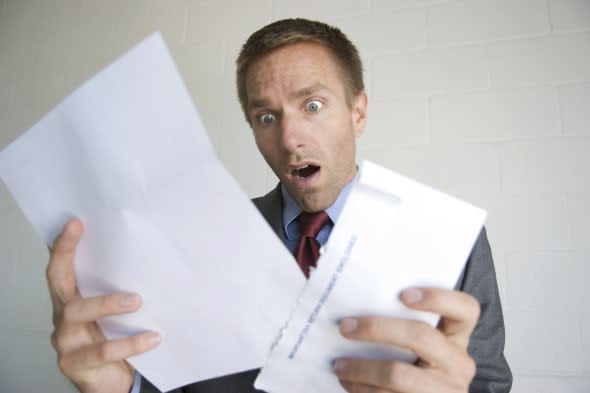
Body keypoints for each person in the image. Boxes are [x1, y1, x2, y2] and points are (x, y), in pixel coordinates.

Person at [46, 18, 512, 393]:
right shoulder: (205, 238)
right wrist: (119, 388)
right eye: (266, 117)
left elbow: (488, 382)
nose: (290, 139)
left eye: (312, 105)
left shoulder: (452, 239)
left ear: (358, 111)